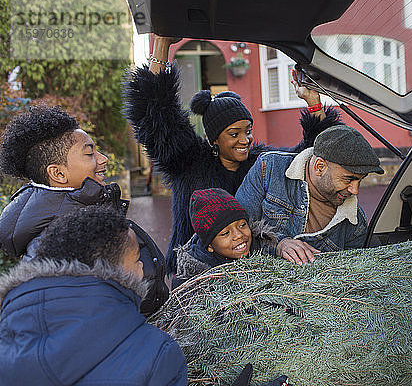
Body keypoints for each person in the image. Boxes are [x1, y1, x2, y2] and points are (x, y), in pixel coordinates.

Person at [123, 35, 343, 279]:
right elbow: (155, 113)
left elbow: (310, 157)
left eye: (248, 130)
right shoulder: (188, 163)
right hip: (197, 275)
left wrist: (313, 103)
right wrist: (162, 45)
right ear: (214, 139)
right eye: (234, 133)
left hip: (248, 274)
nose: (245, 140)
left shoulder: (262, 163)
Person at [0, 105, 168, 316]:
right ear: (58, 173)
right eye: (89, 153)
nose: (103, 159)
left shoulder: (82, 212)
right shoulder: (52, 243)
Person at [0, 205, 188, 385]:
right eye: (137, 259)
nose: (142, 266)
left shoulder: (8, 333)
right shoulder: (158, 352)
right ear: (116, 271)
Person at [235, 125, 384, 265]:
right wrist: (278, 244)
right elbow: (234, 229)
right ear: (320, 167)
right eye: (348, 179)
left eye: (360, 180)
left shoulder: (356, 225)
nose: (355, 191)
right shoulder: (268, 168)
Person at [174, 188, 278, 286]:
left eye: (242, 225)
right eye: (225, 233)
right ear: (209, 245)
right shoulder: (192, 283)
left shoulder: (265, 252)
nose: (239, 235)